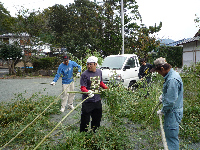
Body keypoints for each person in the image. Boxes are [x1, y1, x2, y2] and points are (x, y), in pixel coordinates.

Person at [151, 57, 183, 150]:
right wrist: (163, 96)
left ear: (162, 69)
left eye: (158, 72)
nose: (159, 74)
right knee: (171, 138)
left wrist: (162, 110)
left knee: (171, 139)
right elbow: (170, 93)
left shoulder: (172, 79)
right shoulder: (172, 75)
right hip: (173, 112)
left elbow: (170, 102)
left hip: (172, 113)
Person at [80, 56, 108, 132]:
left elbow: (100, 82)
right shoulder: (84, 74)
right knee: (85, 120)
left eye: (91, 64)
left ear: (95, 64)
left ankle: (94, 132)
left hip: (97, 100)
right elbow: (83, 88)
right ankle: (83, 135)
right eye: (87, 64)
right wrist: (87, 92)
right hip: (87, 101)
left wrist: (107, 88)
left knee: (97, 119)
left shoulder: (99, 72)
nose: (89, 66)